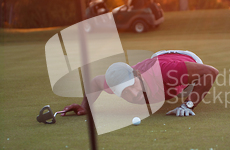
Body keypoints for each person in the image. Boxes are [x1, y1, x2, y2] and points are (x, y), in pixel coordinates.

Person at [61, 50, 218, 117]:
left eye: (131, 87)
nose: (133, 95)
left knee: (185, 90)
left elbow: (211, 72)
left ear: (136, 75)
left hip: (186, 59)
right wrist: (85, 106)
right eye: (124, 92)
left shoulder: (166, 72)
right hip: (156, 58)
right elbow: (95, 82)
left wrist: (188, 105)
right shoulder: (114, 83)